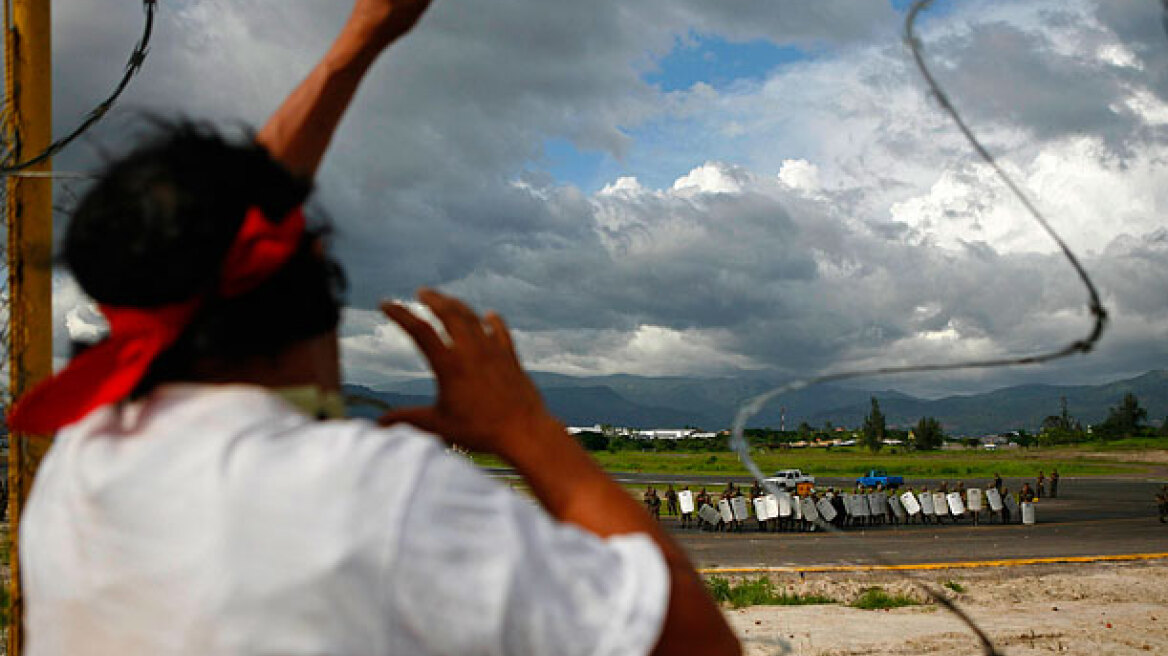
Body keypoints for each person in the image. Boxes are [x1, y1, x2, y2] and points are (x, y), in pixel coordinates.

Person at [7, 2, 740, 654]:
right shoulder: (372, 495)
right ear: (311, 292)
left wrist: (355, 46)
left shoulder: (78, 474)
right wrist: (526, 430)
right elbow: (695, 642)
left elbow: (228, 232)